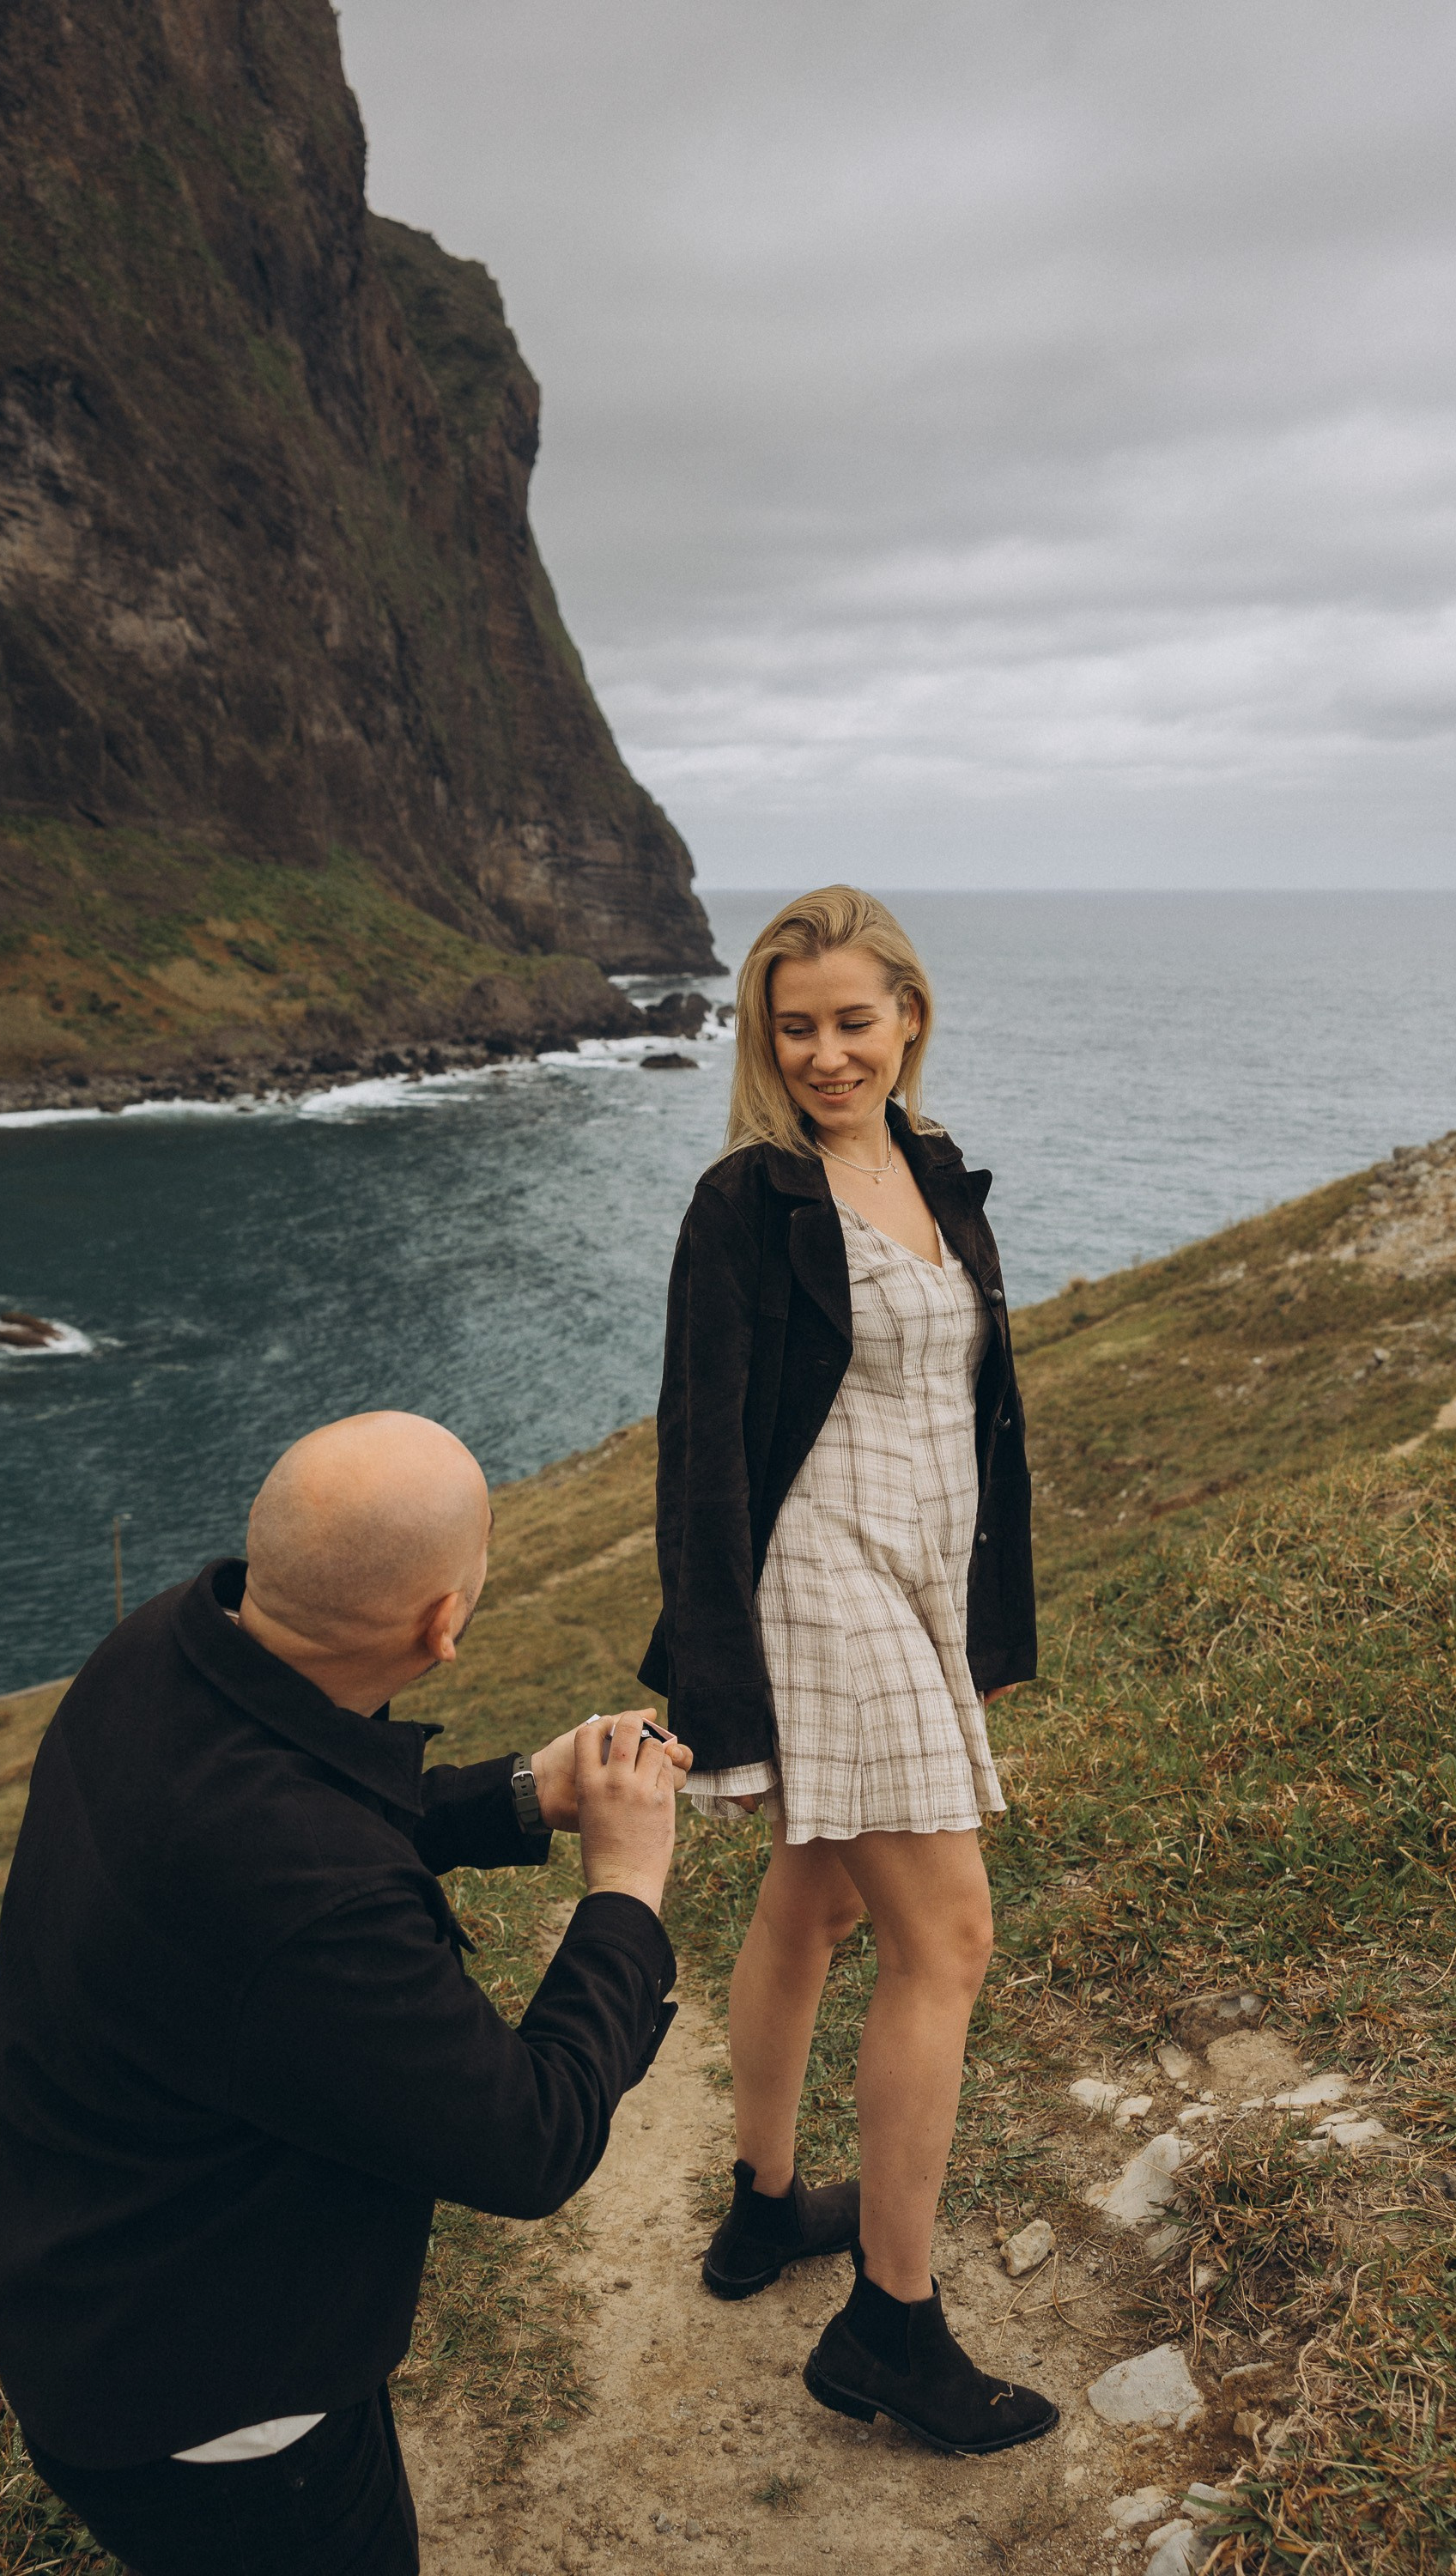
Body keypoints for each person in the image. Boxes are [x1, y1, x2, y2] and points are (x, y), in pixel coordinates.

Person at [0, 1410, 688, 2576]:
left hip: (86, 2279)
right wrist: (626, 1889)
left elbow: (310, 1812)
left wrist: (518, 1792)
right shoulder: (312, 1898)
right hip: (220, 2418)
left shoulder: (156, 1651)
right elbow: (530, 2138)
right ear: (443, 1624)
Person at [640, 886, 1058, 2458]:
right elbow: (700, 1458)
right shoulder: (746, 1203)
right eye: (795, 1026)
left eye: (852, 1021)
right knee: (947, 1937)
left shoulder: (935, 1171)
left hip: (923, 1583)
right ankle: (892, 2322)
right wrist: (718, 1693)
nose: (826, 1053)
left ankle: (764, 2205)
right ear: (766, 1035)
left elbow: (979, 1420)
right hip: (819, 1588)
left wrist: (985, 1632)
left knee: (814, 1902)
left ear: (909, 1018)